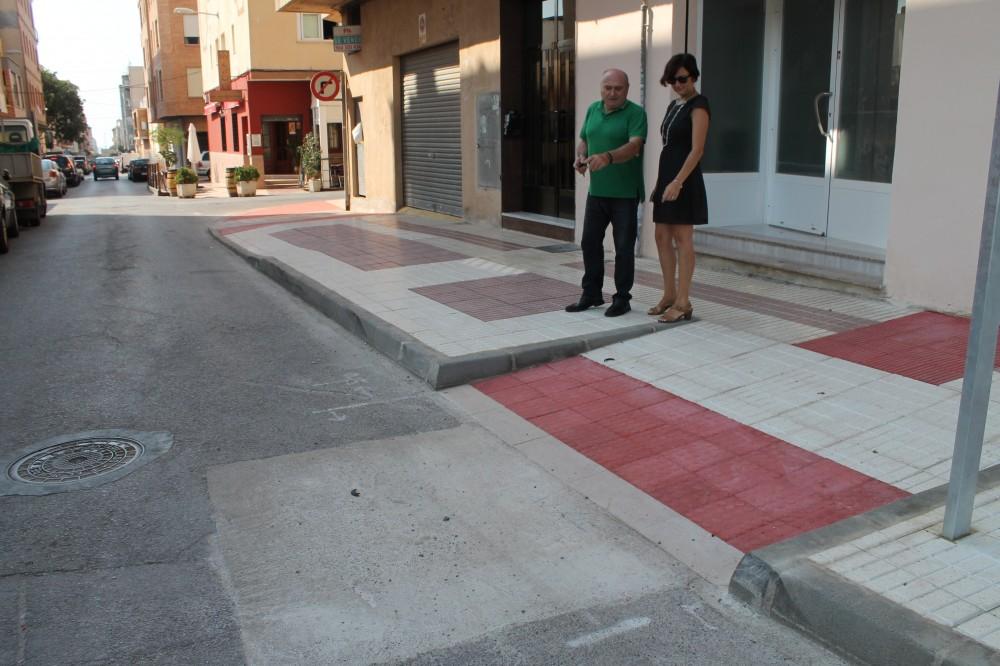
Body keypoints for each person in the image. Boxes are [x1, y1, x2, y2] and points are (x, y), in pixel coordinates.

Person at [566, 68, 648, 317]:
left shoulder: (636, 113)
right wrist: (580, 157)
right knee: (589, 242)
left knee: (623, 248)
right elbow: (585, 139)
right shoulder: (593, 109)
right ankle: (591, 293)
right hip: (597, 191)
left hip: (625, 193)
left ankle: (622, 298)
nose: (612, 93)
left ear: (627, 89)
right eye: (608, 88)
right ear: (601, 88)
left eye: (618, 88)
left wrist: (608, 157)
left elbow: (634, 146)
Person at [648, 53, 710, 323]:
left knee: (683, 239)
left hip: (684, 179)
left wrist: (677, 182)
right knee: (661, 236)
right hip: (667, 176)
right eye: (672, 80)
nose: (677, 84)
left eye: (682, 79)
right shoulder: (674, 105)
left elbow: (697, 150)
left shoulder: (699, 105)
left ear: (693, 76)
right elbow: (668, 147)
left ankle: (683, 301)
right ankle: (669, 295)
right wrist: (661, 183)